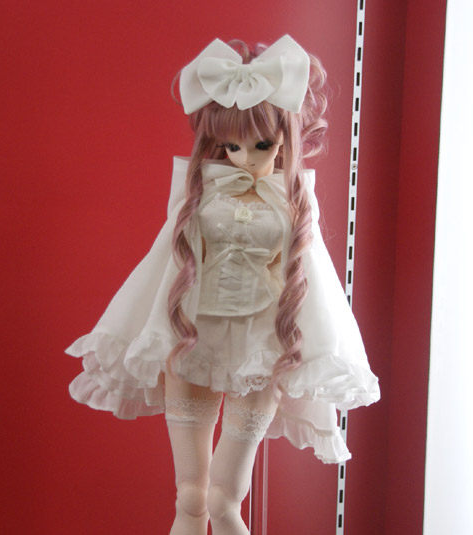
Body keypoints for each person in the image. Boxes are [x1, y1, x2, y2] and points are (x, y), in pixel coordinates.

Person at [67, 35, 379, 535]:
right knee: (191, 498)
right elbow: (162, 265)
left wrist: (316, 349)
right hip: (193, 340)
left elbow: (316, 282)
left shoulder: (293, 203)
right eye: (232, 146)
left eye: (261, 145)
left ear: (285, 138)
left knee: (224, 499)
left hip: (260, 349)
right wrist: (143, 328)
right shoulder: (201, 193)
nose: (244, 157)